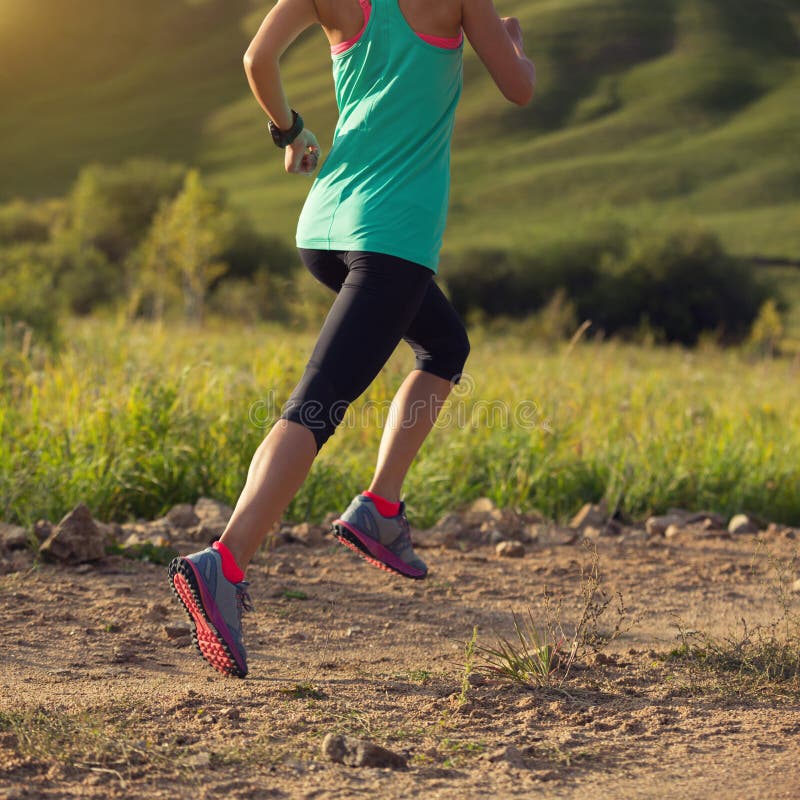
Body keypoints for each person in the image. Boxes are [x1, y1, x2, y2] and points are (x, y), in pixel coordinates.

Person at [168, 0, 535, 678]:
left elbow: (257, 60)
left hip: (325, 227)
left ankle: (380, 508)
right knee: (317, 404)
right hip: (393, 240)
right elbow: (519, 86)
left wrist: (290, 132)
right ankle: (222, 562)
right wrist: (512, 39)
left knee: (444, 348)